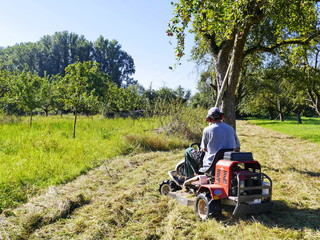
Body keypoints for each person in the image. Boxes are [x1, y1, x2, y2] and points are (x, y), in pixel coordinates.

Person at [198, 107, 240, 173]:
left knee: (188, 152)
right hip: (230, 163)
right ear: (221, 117)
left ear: (209, 118)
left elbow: (203, 149)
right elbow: (238, 147)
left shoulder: (207, 130)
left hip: (211, 165)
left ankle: (191, 176)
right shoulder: (230, 128)